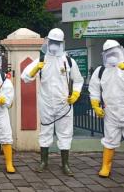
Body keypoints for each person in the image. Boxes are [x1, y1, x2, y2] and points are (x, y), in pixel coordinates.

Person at [21, 28, 84, 176]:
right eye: (52, 42)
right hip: (46, 103)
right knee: (45, 132)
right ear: (48, 42)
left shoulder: (69, 61)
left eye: (57, 42)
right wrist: (35, 69)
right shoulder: (41, 60)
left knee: (65, 133)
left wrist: (75, 94)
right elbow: (25, 77)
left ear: (61, 43)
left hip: (64, 104)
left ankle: (65, 164)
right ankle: (43, 162)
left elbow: (78, 81)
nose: (54, 45)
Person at [88, 40, 124, 178]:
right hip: (111, 112)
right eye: (108, 54)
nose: (112, 56)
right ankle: (106, 167)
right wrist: (96, 105)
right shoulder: (101, 70)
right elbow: (94, 90)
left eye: (114, 53)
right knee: (109, 140)